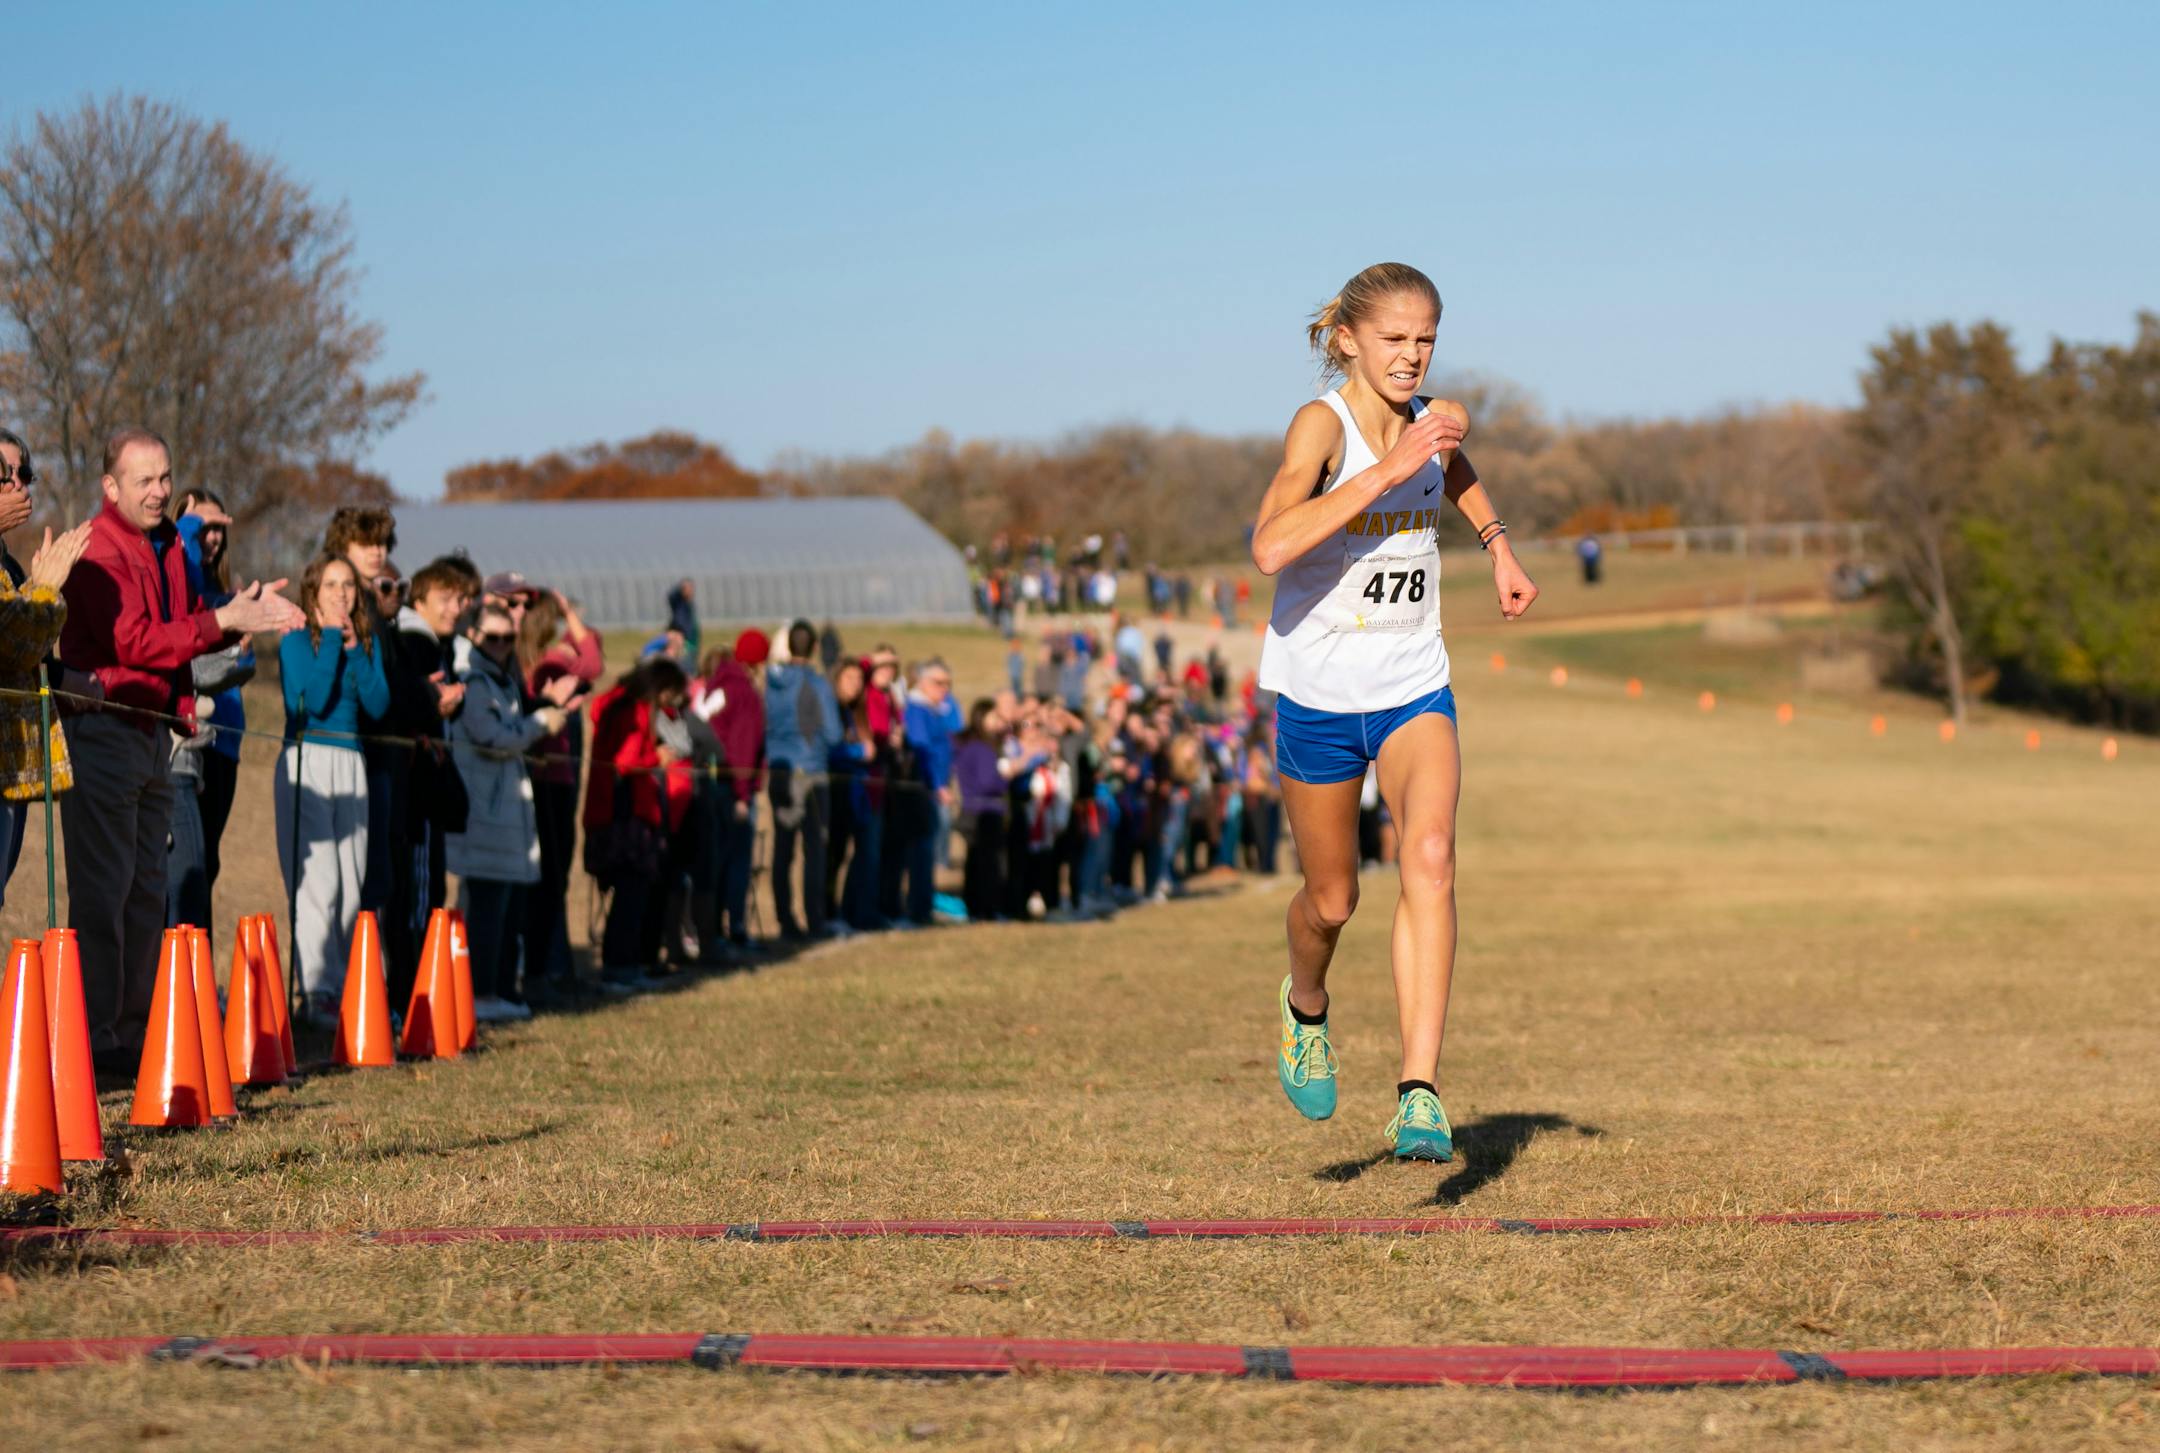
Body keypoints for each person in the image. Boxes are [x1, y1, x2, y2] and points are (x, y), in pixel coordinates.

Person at [1250, 262, 1535, 1162]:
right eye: (1395, 341)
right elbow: (1269, 546)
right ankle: (1305, 1004)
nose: (1412, 358)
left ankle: (1419, 1090)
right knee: (1332, 901)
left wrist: (1497, 547)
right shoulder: (1320, 427)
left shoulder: (1431, 425)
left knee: (1433, 857)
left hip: (1413, 682)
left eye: (1426, 342)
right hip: (1319, 696)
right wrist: (1386, 474)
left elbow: (1455, 470)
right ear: (1349, 340)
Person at [61, 429, 302, 1071]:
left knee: (148, 891)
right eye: (144, 480)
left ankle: (136, 1034)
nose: (160, 491)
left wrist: (236, 617)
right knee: (104, 892)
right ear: (110, 487)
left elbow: (189, 625)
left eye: (165, 477)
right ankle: (96, 1038)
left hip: (155, 734)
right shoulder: (96, 551)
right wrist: (224, 624)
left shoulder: (168, 544)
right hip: (105, 731)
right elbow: (135, 641)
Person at [276, 552, 391, 1023]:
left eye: (347, 585)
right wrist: (330, 650)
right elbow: (308, 703)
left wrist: (354, 652)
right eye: (331, 585)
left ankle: (345, 986)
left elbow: (380, 705)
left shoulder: (364, 643)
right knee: (317, 880)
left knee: (349, 878)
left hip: (352, 762)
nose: (342, 593)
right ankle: (317, 987)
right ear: (314, 592)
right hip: (308, 760)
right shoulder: (297, 643)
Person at [449, 601, 572, 1022]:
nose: (501, 645)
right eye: (492, 637)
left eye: (508, 638)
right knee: (486, 907)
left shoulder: (502, 679)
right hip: (485, 812)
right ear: (475, 636)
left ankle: (500, 988)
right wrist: (541, 724)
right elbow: (492, 737)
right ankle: (481, 991)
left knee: (504, 907)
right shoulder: (477, 681)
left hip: (506, 813)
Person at [0, 517, 92, 910]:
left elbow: (25, 652)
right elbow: (11, 644)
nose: (19, 484)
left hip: (12, 763)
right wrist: (44, 588)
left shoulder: (8, 566)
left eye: (25, 474)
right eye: (7, 474)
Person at [518, 590, 604, 1004]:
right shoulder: (543, 665)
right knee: (548, 878)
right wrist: (571, 613)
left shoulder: (546, 660)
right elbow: (592, 662)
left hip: (560, 778)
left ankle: (555, 966)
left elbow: (592, 660)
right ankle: (542, 970)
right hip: (544, 780)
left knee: (556, 878)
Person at [584, 658, 690, 986]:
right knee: (631, 894)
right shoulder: (633, 710)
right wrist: (655, 758)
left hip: (614, 810)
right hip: (625, 814)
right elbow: (626, 761)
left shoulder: (617, 704)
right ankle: (619, 967)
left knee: (630, 895)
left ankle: (626, 965)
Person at [173, 490, 249, 908]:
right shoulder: (179, 568)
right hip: (191, 737)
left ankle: (196, 968)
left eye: (218, 528)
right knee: (189, 867)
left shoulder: (219, 588)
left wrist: (244, 650)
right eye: (204, 525)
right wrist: (188, 524)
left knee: (209, 864)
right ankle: (182, 968)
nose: (213, 536)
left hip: (226, 741)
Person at [764, 620, 841, 942]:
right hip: (810, 774)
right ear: (812, 648)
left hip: (778, 771)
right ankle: (815, 920)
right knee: (814, 850)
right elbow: (834, 733)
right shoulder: (815, 683)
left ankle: (785, 920)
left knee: (782, 851)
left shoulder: (771, 682)